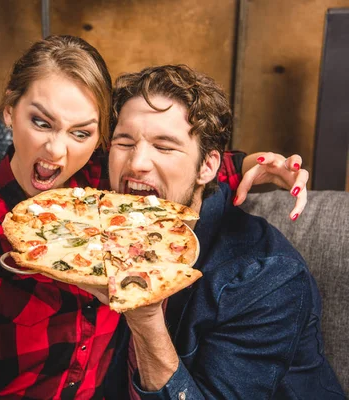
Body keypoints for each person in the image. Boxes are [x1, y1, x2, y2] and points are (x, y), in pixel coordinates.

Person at [0, 36, 310, 399]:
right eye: (41, 122)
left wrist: (256, 167)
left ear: (97, 140)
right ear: (9, 111)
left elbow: (183, 168)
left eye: (81, 132)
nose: (56, 150)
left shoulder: (98, 185)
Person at [89, 65, 343, 398]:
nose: (136, 163)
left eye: (164, 147)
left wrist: (144, 317)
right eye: (124, 141)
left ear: (208, 167)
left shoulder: (267, 276)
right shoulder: (105, 224)